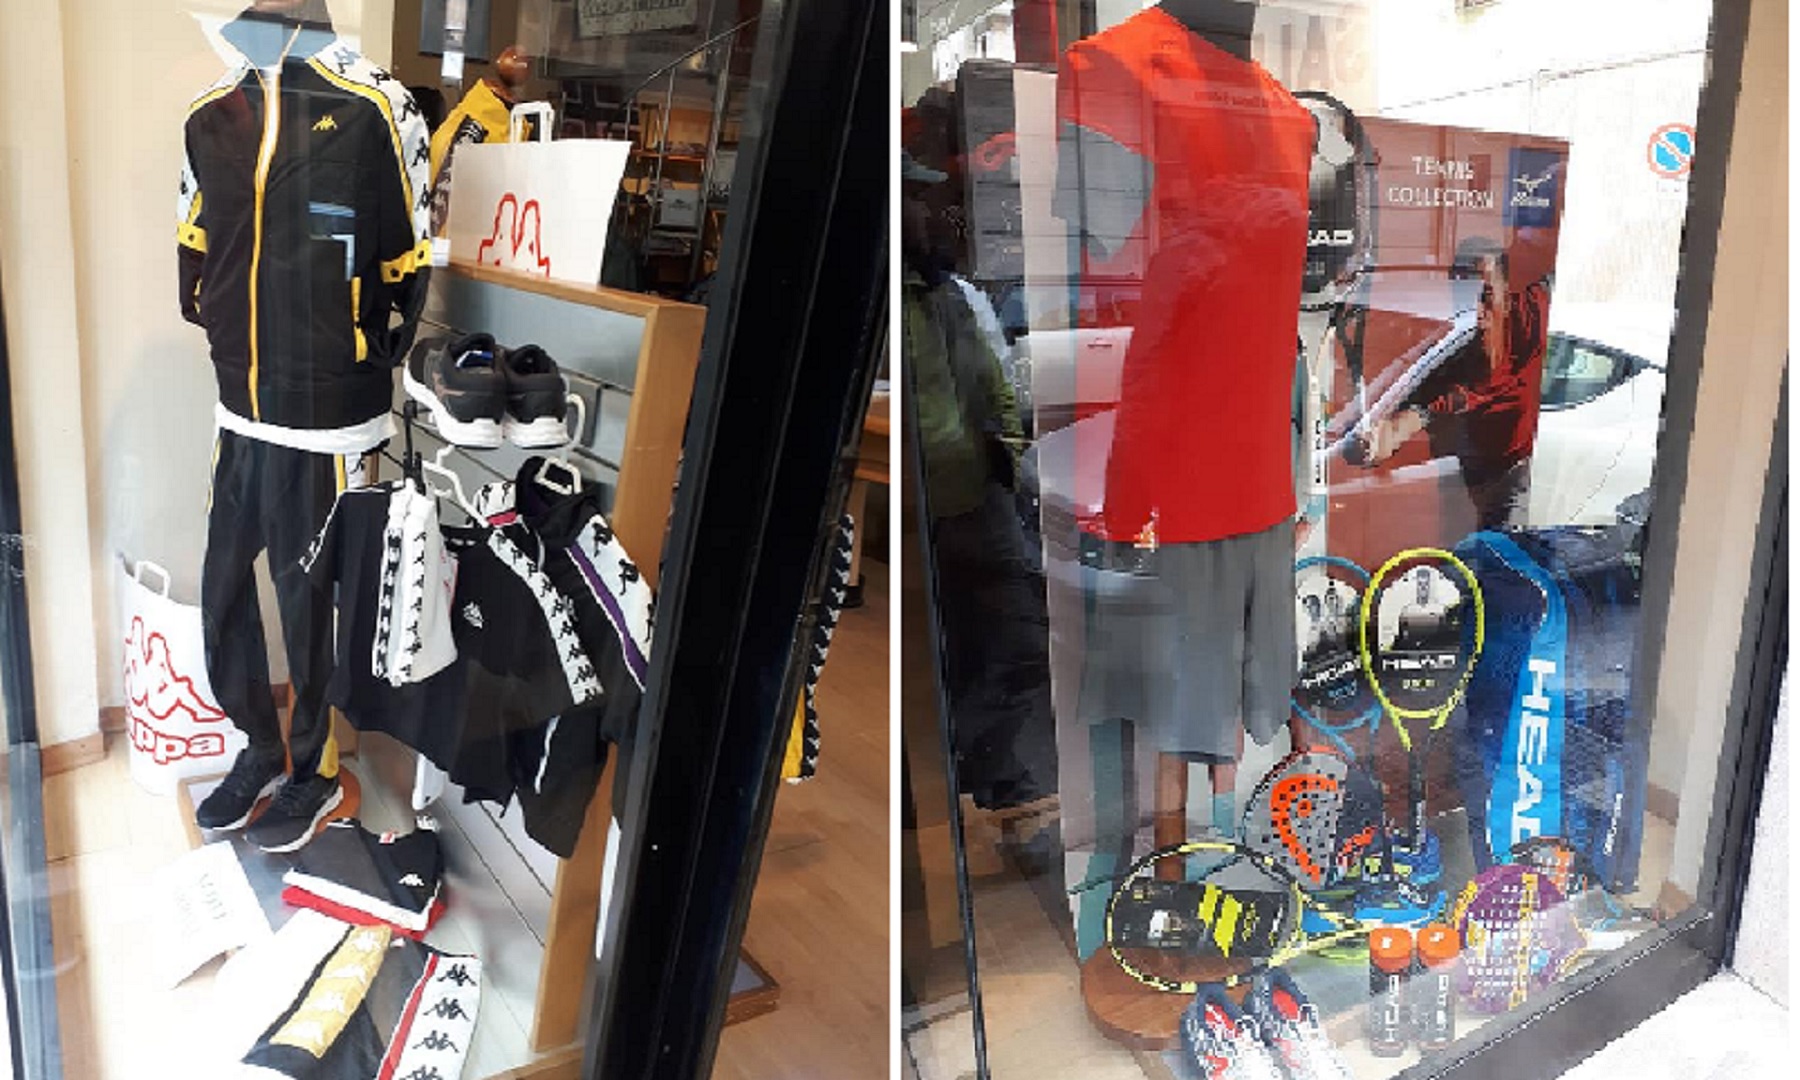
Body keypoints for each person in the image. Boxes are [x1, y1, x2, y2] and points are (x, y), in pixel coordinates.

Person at [1366, 237, 1551, 530]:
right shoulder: (1453, 357)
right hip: (1467, 475)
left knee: (1498, 549)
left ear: (1506, 296)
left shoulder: (1530, 316)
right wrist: (1384, 438)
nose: (1476, 312)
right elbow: (1414, 414)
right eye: (1464, 299)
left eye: (1485, 296)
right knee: (1460, 547)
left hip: (1517, 470)